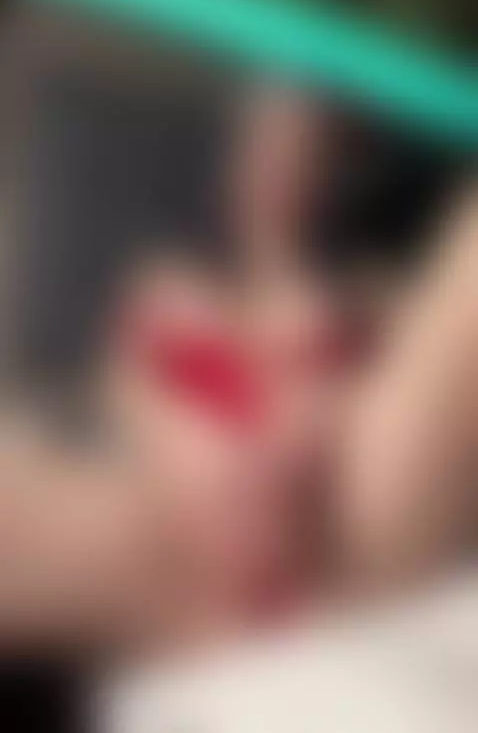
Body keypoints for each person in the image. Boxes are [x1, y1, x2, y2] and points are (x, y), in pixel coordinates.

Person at [0, 86, 476, 658]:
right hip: (327, 579)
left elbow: (178, 309)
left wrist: (275, 280)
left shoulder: (163, 356)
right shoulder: (377, 506)